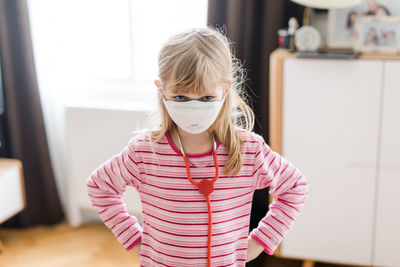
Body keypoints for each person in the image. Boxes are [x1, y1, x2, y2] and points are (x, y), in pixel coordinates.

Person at [86, 26, 309, 267]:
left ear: (225, 90)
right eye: (181, 98)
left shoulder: (249, 150)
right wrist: (133, 239)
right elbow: (100, 186)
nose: (193, 107)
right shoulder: (144, 151)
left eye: (206, 98)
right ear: (161, 90)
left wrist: (260, 241)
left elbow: (296, 187)